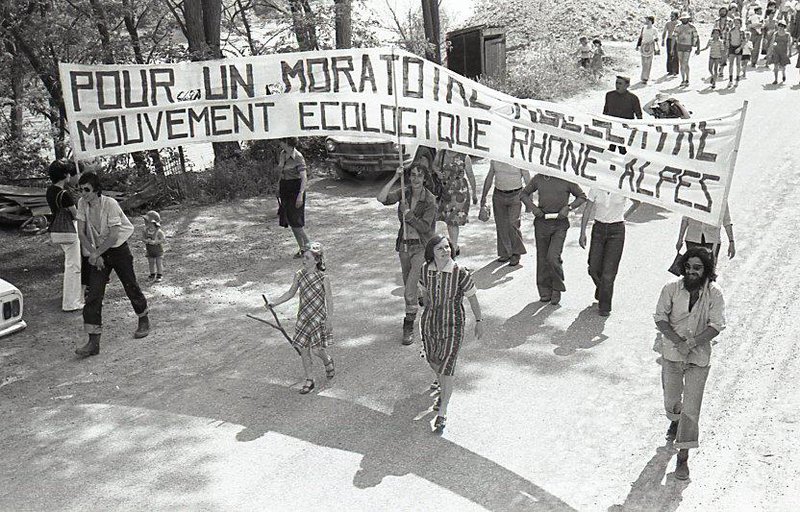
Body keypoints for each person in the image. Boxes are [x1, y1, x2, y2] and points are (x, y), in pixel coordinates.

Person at [654, 247, 726, 480]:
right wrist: (678, 342)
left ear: (706, 271)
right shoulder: (671, 289)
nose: (692, 272)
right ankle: (674, 422)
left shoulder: (715, 294)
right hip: (672, 355)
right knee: (672, 400)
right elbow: (660, 318)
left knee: (691, 409)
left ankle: (682, 458)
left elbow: (716, 325)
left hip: (698, 358)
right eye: (688, 267)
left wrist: (693, 343)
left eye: (698, 268)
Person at [75, 172, 149, 357]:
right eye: (81, 189)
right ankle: (93, 341)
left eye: (87, 190)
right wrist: (94, 254)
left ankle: (143, 318)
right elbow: (81, 233)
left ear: (96, 190)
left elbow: (114, 235)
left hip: (117, 249)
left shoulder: (110, 204)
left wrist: (97, 253)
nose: (83, 193)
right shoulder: (82, 204)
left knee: (130, 284)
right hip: (98, 252)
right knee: (94, 294)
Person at [418, 234, 483, 434]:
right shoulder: (424, 269)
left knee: (447, 369)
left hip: (453, 325)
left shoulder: (460, 272)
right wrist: (423, 299)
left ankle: (442, 412)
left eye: (447, 247)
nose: (445, 251)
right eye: (440, 248)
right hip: (430, 323)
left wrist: (479, 321)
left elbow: (472, 298)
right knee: (432, 359)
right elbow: (424, 293)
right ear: (432, 252)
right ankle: (441, 384)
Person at [377, 165, 437, 345]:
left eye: (419, 176)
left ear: (425, 178)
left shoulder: (430, 200)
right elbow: (381, 198)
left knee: (408, 289)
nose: (415, 179)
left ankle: (408, 324)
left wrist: (408, 214)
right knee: (410, 281)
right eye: (413, 175)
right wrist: (396, 177)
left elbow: (426, 227)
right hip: (403, 246)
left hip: (421, 247)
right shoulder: (405, 193)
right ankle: (424, 297)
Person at [266, 242, 334, 395]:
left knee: (317, 350)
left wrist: (329, 319)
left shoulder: (323, 278)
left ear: (316, 260)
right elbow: (290, 293)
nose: (304, 260)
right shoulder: (299, 275)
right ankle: (309, 379)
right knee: (304, 350)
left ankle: (327, 360)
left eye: (307, 258)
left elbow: (329, 300)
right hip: (303, 318)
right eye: (303, 257)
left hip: (318, 319)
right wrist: (274, 303)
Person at [521, 174, 586, 305]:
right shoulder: (539, 178)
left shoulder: (566, 178)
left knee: (553, 256)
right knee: (542, 257)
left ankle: (557, 288)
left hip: (559, 223)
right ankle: (544, 290)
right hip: (542, 222)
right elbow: (523, 194)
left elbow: (582, 196)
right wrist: (533, 208)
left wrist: (568, 207)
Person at [578, 189, 639, 316]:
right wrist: (582, 232)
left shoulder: (622, 187)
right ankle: (602, 289)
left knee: (609, 272)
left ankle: (604, 306)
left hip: (616, 230)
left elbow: (637, 202)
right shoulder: (596, 187)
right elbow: (587, 209)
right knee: (593, 267)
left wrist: (624, 217)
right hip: (599, 228)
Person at [45, 160, 83, 312]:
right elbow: (76, 214)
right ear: (64, 175)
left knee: (70, 264)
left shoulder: (50, 191)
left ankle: (72, 300)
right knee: (73, 266)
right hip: (69, 230)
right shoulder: (64, 194)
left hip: (57, 229)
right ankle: (71, 303)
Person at [479, 160, 532, 266]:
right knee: (501, 224)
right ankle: (505, 252)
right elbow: (489, 177)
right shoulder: (495, 159)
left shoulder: (519, 159)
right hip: (499, 194)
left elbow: (527, 180)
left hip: (516, 194)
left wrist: (529, 201)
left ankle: (516, 253)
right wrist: (484, 196)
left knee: (513, 223)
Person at [431, 149, 477, 256]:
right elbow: (434, 165)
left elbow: (470, 175)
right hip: (445, 191)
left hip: (459, 193)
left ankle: (454, 247)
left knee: (453, 221)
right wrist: (438, 173)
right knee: (448, 220)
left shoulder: (464, 157)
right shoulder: (441, 154)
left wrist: (474, 193)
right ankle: (454, 245)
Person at [277, 137, 310, 258]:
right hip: (285, 188)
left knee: (296, 221)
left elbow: (304, 178)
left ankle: (309, 247)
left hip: (296, 189)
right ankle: (302, 248)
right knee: (290, 220)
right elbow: (281, 173)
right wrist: (277, 187)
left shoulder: (298, 157)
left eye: (281, 141)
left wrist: (300, 195)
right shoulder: (282, 154)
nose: (279, 143)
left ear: (287, 143)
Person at [602, 75, 642, 154]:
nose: (617, 85)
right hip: (612, 127)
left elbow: (639, 115)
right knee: (611, 150)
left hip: (625, 129)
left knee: (623, 151)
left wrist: (638, 128)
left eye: (620, 83)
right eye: (616, 83)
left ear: (627, 85)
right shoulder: (609, 95)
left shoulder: (633, 98)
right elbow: (606, 110)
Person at [674, 12, 701, 85]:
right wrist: (672, 48)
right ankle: (683, 79)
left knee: (684, 62)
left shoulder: (692, 27)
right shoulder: (678, 27)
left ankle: (687, 79)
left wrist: (698, 47)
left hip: (688, 46)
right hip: (679, 46)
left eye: (685, 19)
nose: (684, 20)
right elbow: (674, 37)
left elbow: (697, 37)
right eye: (683, 19)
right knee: (682, 63)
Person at [142, 210, 166, 282]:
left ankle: (159, 274)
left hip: (157, 250)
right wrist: (145, 240)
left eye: (147, 221)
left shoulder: (158, 231)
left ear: (153, 222)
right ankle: (152, 274)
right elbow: (143, 238)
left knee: (158, 262)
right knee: (151, 262)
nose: (145, 222)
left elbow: (163, 239)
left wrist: (156, 242)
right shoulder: (145, 230)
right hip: (150, 250)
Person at [637, 16, 660, 83]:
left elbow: (657, 38)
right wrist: (637, 45)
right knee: (643, 62)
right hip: (643, 46)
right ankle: (643, 76)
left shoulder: (654, 29)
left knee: (649, 62)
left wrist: (654, 40)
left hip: (650, 46)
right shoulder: (643, 28)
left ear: (650, 21)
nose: (646, 21)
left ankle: (646, 77)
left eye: (647, 20)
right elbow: (641, 37)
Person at [713, 7, 732, 77]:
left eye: (724, 11)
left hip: (726, 40)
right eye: (721, 11)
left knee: (724, 56)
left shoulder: (730, 21)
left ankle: (721, 70)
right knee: (717, 55)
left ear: (726, 12)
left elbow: (732, 32)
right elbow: (714, 30)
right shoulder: (716, 21)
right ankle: (720, 66)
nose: (722, 13)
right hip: (718, 40)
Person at [727, 17, 745, 83]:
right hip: (732, 47)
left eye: (738, 23)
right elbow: (728, 39)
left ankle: (737, 77)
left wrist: (740, 48)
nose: (736, 24)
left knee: (738, 64)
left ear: (740, 24)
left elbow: (743, 41)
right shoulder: (731, 31)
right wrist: (728, 48)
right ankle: (730, 78)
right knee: (731, 64)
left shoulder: (742, 32)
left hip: (738, 47)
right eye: (735, 22)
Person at [662, 11, 681, 76]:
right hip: (669, 39)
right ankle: (670, 70)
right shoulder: (668, 23)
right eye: (671, 16)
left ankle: (675, 70)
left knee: (676, 55)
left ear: (676, 17)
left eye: (672, 16)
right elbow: (664, 32)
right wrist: (663, 40)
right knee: (669, 54)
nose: (671, 17)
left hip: (677, 41)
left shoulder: (679, 24)